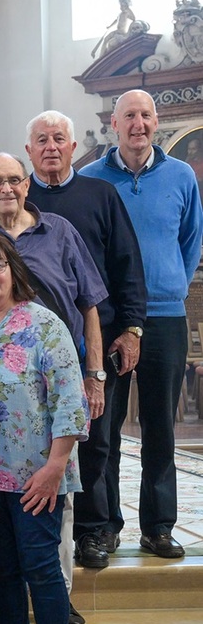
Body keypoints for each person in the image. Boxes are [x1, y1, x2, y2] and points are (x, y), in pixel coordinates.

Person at [23, 110, 147, 624]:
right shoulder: (15, 199)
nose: (50, 148)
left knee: (96, 441)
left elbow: (125, 263)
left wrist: (133, 327)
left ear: (74, 146)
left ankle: (95, 528)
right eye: (41, 140)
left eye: (58, 139)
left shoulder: (100, 195)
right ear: (28, 150)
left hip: (93, 345)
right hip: (20, 361)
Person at [79, 88, 203, 559]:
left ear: (156, 122)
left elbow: (191, 239)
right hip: (109, 319)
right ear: (115, 123)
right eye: (129, 115)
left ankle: (158, 525)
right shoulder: (92, 179)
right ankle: (104, 526)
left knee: (160, 428)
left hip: (167, 317)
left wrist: (169, 285)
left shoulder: (180, 176)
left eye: (146, 115)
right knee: (103, 428)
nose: (139, 124)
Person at [0, 231, 89, 624]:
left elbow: (70, 400)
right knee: (1, 570)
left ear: (14, 271)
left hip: (39, 475)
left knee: (41, 568)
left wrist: (55, 467)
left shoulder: (43, 323)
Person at [0, 154, 107, 424]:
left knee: (78, 453)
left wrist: (95, 375)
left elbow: (89, 303)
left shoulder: (60, 231)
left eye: (14, 180)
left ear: (26, 186)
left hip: (63, 372)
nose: (6, 189)